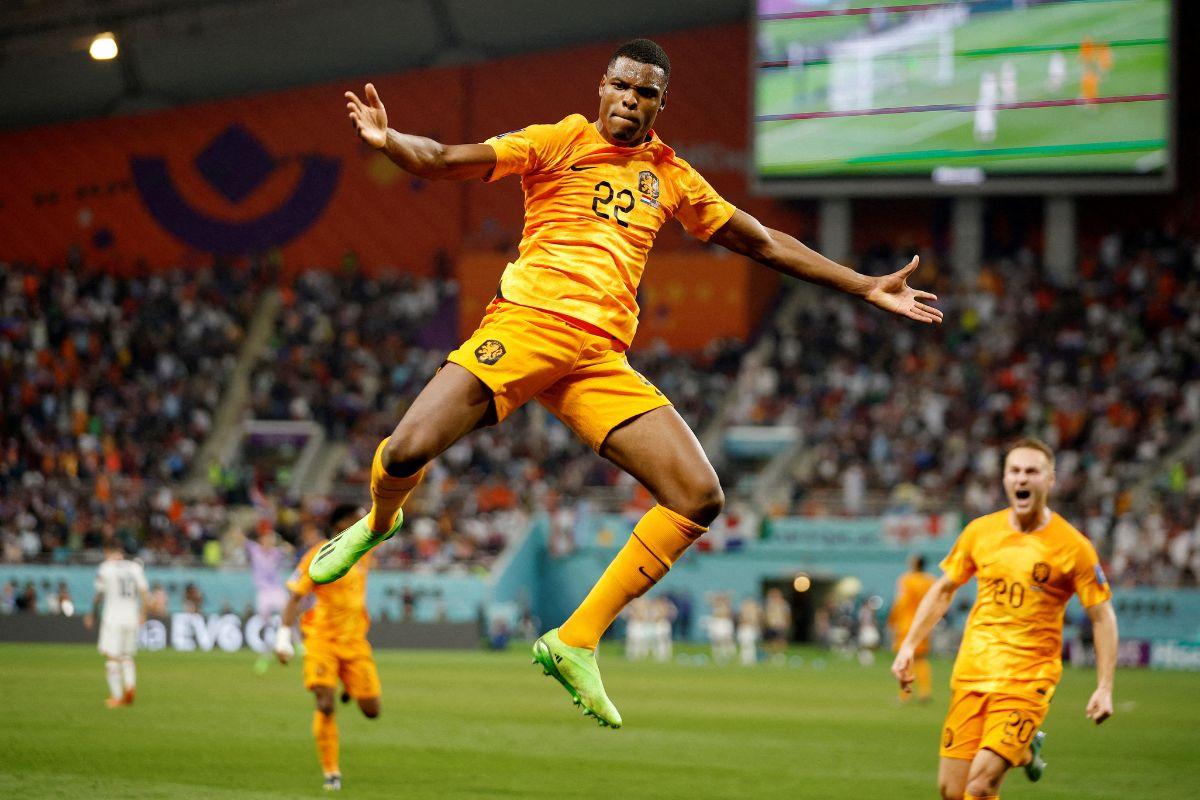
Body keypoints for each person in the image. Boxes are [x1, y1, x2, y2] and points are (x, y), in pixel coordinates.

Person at [314, 37, 941, 729]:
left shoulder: (670, 175)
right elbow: (447, 160)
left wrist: (862, 285)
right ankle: (377, 522)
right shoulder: (560, 141)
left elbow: (761, 240)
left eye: (645, 93)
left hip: (598, 360)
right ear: (602, 87)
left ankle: (576, 640)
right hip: (525, 328)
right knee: (405, 453)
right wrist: (388, 138)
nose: (629, 100)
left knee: (699, 495)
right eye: (621, 86)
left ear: (660, 104)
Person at [891, 438, 1119, 800]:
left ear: (1050, 480)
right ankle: (1026, 750)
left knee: (979, 786)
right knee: (952, 791)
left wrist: (1105, 686)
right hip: (972, 675)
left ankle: (1021, 744)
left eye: (1032, 471)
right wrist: (908, 645)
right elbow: (944, 589)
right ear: (1004, 478)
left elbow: (1102, 615)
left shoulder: (1073, 547)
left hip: (1026, 682)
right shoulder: (980, 531)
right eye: (1014, 471)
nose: (1021, 478)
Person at [276, 504, 381, 792]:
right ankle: (331, 772)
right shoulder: (318, 554)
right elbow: (294, 597)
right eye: (354, 519)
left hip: (355, 640)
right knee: (324, 702)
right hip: (322, 638)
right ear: (339, 524)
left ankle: (349, 684)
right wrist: (283, 637)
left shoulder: (365, 549)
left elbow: (386, 520)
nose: (361, 523)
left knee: (372, 710)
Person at [84, 542, 149, 708]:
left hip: (113, 618)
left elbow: (99, 594)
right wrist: (143, 614)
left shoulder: (106, 568)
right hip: (131, 618)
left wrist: (92, 614)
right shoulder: (135, 567)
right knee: (127, 655)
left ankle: (117, 696)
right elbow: (144, 592)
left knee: (112, 657)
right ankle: (130, 686)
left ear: (108, 552)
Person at [888, 554, 937, 703]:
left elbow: (901, 602)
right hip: (924, 624)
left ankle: (905, 694)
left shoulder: (906, 580)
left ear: (915, 563)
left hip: (906, 624)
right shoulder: (930, 581)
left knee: (905, 659)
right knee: (921, 658)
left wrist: (892, 619)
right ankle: (925, 692)